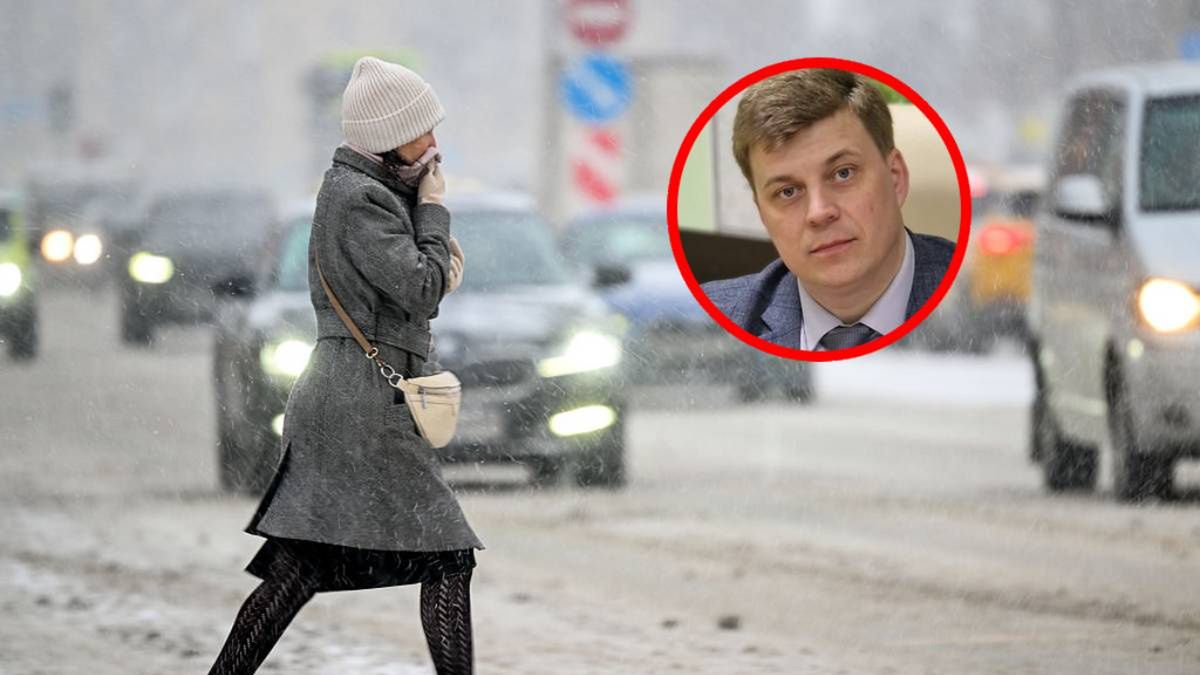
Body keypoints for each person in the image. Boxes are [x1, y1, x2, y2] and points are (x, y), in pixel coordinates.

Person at [207, 56, 480, 675]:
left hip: (354, 397)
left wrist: (424, 216)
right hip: (358, 405)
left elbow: (418, 282)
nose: (434, 142)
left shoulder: (369, 192)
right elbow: (422, 287)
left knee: (300, 569)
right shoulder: (359, 200)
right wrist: (433, 210)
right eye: (422, 129)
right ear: (388, 136)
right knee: (446, 557)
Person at [701, 68, 955, 351]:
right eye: (787, 192)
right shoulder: (711, 322)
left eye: (843, 173)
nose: (819, 213)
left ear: (895, 178)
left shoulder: (973, 295)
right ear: (762, 213)